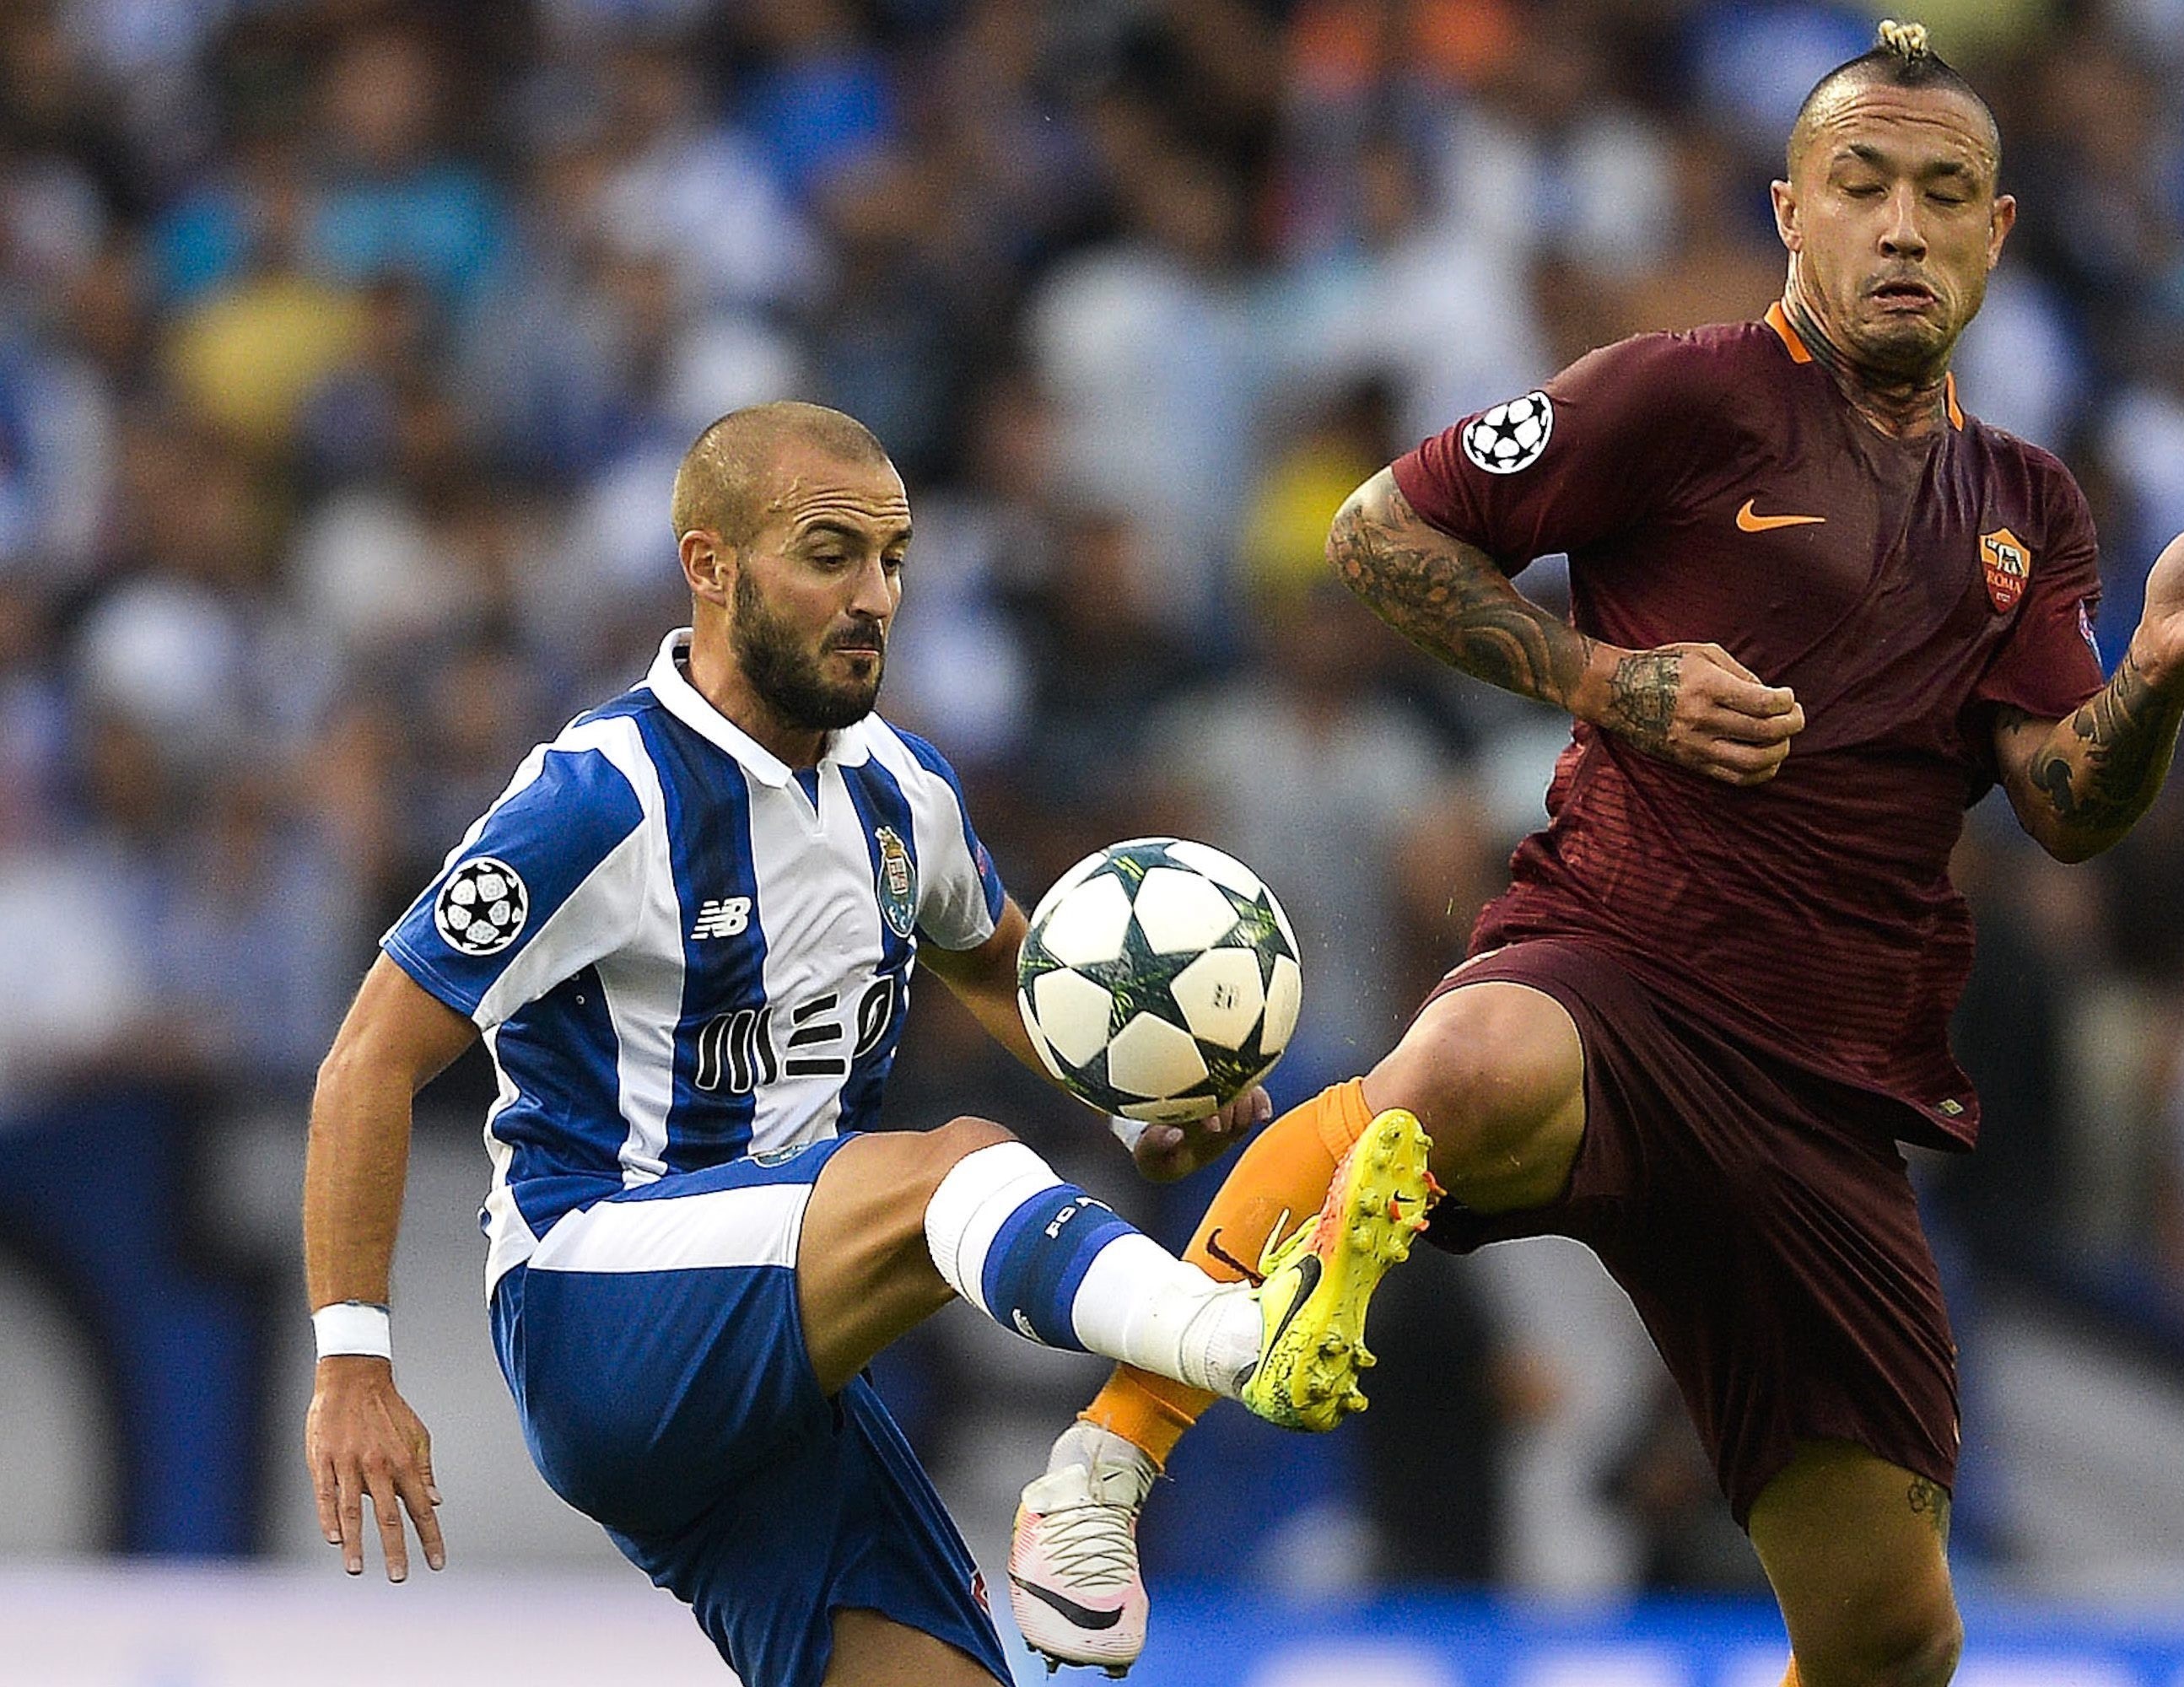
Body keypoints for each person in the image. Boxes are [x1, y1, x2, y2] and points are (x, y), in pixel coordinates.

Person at [1007, 21, 2184, 1685]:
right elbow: (1378, 532)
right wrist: (1612, 679)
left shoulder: (2027, 503)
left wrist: (2161, 669)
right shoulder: (1681, 393)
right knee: (1456, 1068)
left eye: (1943, 195)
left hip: (1829, 1091)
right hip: (1622, 973)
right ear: (1790, 211)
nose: (1901, 227)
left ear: (1997, 234)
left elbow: (2068, 804)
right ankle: (1104, 1465)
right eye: (1861, 185)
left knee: (1894, 1640)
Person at [298, 400, 1437, 1687]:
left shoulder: (905, 789)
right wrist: (353, 1361)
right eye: (830, 555)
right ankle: (1227, 1345)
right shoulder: (598, 798)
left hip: (788, 1362)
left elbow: (996, 961)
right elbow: (368, 1059)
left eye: (893, 560)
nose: (875, 598)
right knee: (956, 1168)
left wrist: (1134, 1106)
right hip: (599, 1307)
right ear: (710, 565)